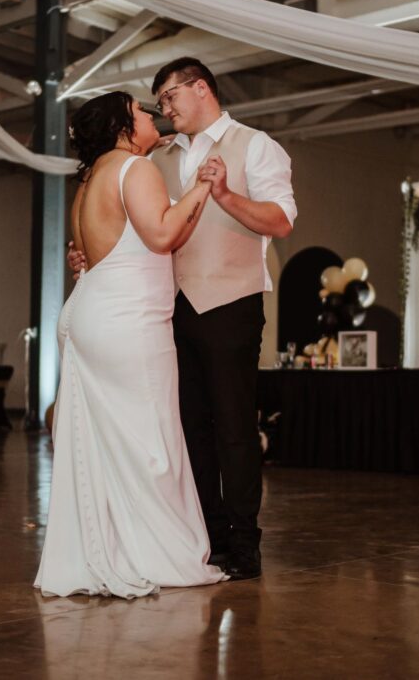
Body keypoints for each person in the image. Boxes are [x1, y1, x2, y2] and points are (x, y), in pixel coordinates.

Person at [70, 58, 297, 582]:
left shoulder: (255, 144)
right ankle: (208, 539)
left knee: (235, 429)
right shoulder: (158, 158)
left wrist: (224, 195)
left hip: (230, 304)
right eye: (158, 103)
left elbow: (281, 220)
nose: (165, 110)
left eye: (170, 97)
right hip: (167, 309)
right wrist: (84, 253)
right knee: (187, 428)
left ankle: (244, 544)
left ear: (201, 89)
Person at [34, 91, 226, 599]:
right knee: (151, 441)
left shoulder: (89, 181)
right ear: (123, 126)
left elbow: (91, 254)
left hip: (87, 313)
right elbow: (162, 235)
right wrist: (203, 186)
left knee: (106, 444)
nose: (152, 116)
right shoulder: (135, 170)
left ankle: (113, 548)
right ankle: (158, 555)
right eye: (142, 112)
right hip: (130, 321)